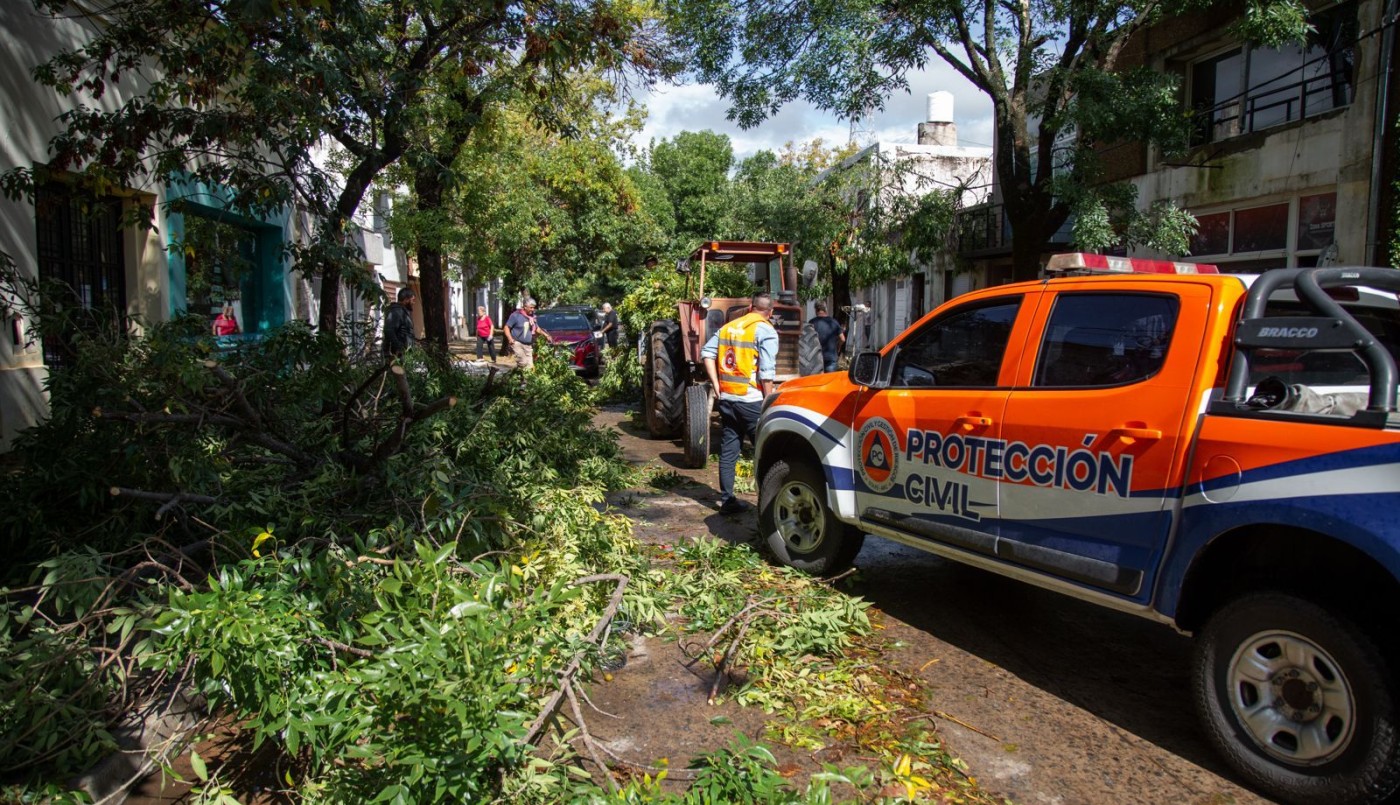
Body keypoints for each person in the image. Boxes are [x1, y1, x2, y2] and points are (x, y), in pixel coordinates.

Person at [702, 292, 779, 514]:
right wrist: (769, 402)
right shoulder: (765, 330)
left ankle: (727, 501)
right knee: (767, 452)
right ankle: (768, 507)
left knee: (729, 450)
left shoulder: (729, 327)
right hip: (751, 401)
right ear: (770, 312)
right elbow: (766, 373)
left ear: (750, 307)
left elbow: (707, 353)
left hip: (727, 399)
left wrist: (717, 386)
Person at [504, 298, 549, 370]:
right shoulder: (516, 315)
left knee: (530, 367)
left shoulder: (532, 317)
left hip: (528, 345)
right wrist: (510, 339)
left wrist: (546, 335)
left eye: (533, 307)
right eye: (531, 307)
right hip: (517, 343)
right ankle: (521, 376)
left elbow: (537, 329)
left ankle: (522, 379)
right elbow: (506, 328)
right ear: (525, 307)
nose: (532, 309)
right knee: (523, 362)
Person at [810, 301, 845, 372]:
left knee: (817, 381)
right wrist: (838, 348)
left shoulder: (812, 323)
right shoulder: (834, 322)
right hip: (831, 357)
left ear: (816, 310)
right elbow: (842, 339)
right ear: (826, 309)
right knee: (829, 381)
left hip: (815, 359)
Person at [382, 287, 416, 357]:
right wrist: (399, 348)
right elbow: (388, 330)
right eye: (412, 300)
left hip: (406, 355)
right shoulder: (396, 311)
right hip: (399, 356)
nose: (414, 303)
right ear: (406, 300)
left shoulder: (402, 311)